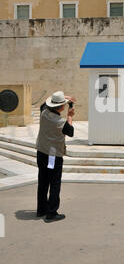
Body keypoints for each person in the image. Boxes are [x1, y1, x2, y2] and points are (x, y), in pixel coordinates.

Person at [35, 91, 76, 222]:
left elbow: (44, 104)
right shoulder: (60, 121)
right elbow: (70, 131)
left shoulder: (44, 112)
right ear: (62, 107)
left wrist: (63, 98)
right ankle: (51, 212)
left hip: (41, 152)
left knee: (43, 181)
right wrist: (70, 116)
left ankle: (41, 209)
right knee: (54, 182)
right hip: (52, 155)